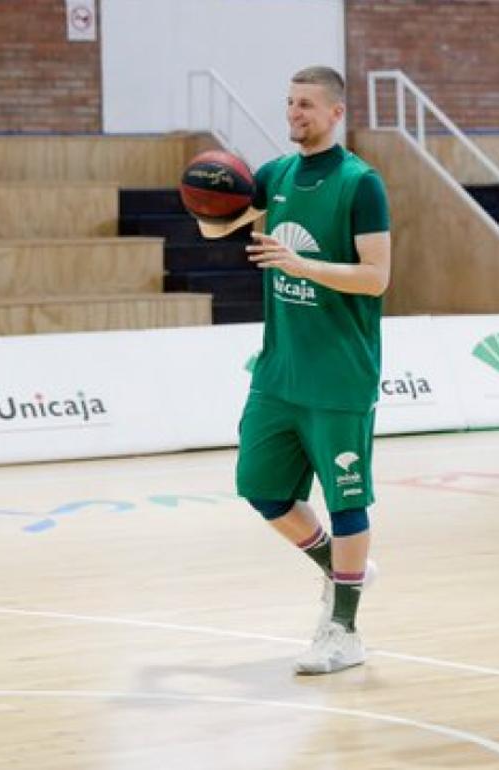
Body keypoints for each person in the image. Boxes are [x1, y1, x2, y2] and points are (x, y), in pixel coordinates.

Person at [194, 65, 391, 672]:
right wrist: (204, 197)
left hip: (339, 374)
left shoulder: (362, 184)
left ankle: (345, 631)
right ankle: (343, 568)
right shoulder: (275, 175)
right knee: (262, 489)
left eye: (306, 104)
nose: (294, 114)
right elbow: (216, 224)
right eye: (289, 103)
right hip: (279, 371)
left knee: (348, 501)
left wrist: (299, 263)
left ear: (336, 112)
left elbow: (376, 277)